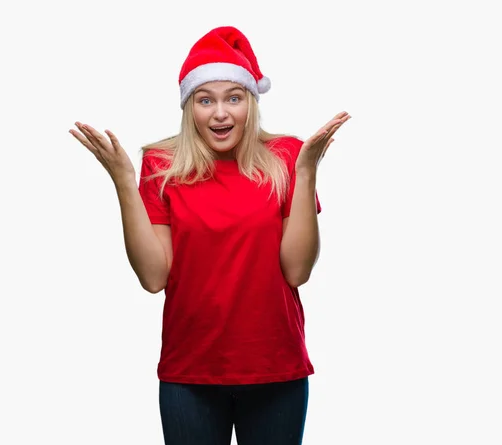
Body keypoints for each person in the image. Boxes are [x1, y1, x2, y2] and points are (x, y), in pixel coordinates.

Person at [69, 25, 351, 445]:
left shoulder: (287, 157)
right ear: (190, 107)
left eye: (233, 98)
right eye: (206, 100)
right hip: (190, 373)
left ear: (250, 104)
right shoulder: (161, 165)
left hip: (275, 367)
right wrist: (124, 182)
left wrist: (307, 172)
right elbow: (153, 278)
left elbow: (297, 271)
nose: (220, 113)